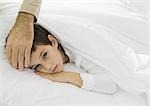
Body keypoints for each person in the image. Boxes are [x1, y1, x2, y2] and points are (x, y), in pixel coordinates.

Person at [26, 23, 117, 94]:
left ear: (53, 41)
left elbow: (110, 84)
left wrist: (65, 76)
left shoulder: (79, 48)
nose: (48, 67)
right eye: (37, 66)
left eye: (44, 55)